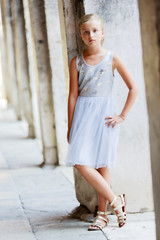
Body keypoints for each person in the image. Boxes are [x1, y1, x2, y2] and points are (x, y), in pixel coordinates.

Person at [65, 13, 138, 231]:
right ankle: (117, 201)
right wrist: (70, 126)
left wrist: (122, 115)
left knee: (102, 163)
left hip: (105, 116)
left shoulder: (112, 58)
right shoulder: (76, 62)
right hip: (83, 115)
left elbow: (133, 88)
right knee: (80, 161)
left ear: (102, 33)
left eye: (95, 31)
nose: (91, 35)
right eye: (86, 32)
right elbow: (72, 96)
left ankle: (103, 214)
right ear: (81, 35)